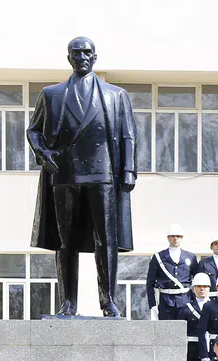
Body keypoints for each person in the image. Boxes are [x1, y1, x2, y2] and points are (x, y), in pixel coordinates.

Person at [27, 37, 136, 317]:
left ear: (95, 57)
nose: (82, 57)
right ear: (69, 58)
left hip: (103, 173)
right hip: (65, 173)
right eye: (76, 52)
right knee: (66, 241)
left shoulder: (115, 95)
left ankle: (108, 300)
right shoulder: (51, 94)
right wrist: (43, 153)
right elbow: (33, 131)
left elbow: (128, 135)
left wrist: (129, 170)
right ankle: (68, 303)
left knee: (106, 240)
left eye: (87, 52)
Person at [145, 225, 196, 320]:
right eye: (172, 236)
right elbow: (150, 283)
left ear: (182, 238)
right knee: (166, 331)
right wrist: (152, 305)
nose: (175, 238)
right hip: (166, 301)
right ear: (168, 238)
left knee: (185, 331)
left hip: (186, 300)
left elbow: (197, 281)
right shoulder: (158, 257)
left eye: (178, 236)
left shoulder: (191, 257)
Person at [179, 273, 214, 361]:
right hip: (193, 350)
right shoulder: (186, 309)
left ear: (209, 288)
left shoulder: (216, 307)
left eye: (205, 286)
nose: (202, 289)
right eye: (199, 286)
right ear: (194, 289)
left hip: (212, 349)